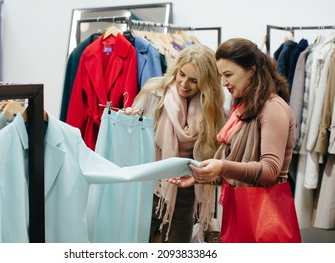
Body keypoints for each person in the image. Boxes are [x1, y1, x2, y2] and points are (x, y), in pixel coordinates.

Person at [171, 38, 296, 239]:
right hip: (240, 206)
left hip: (263, 212)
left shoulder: (273, 108)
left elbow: (270, 170)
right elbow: (237, 169)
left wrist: (221, 166)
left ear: (252, 70)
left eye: (228, 75)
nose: (223, 82)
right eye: (221, 75)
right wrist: (200, 177)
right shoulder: (245, 107)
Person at [125, 44, 226, 243]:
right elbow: (132, 134)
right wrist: (129, 117)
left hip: (186, 188)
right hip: (151, 183)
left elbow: (217, 151)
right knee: (140, 241)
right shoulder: (155, 91)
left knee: (177, 244)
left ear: (206, 83)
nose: (184, 83)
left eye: (194, 80)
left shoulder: (212, 107)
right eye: (182, 74)